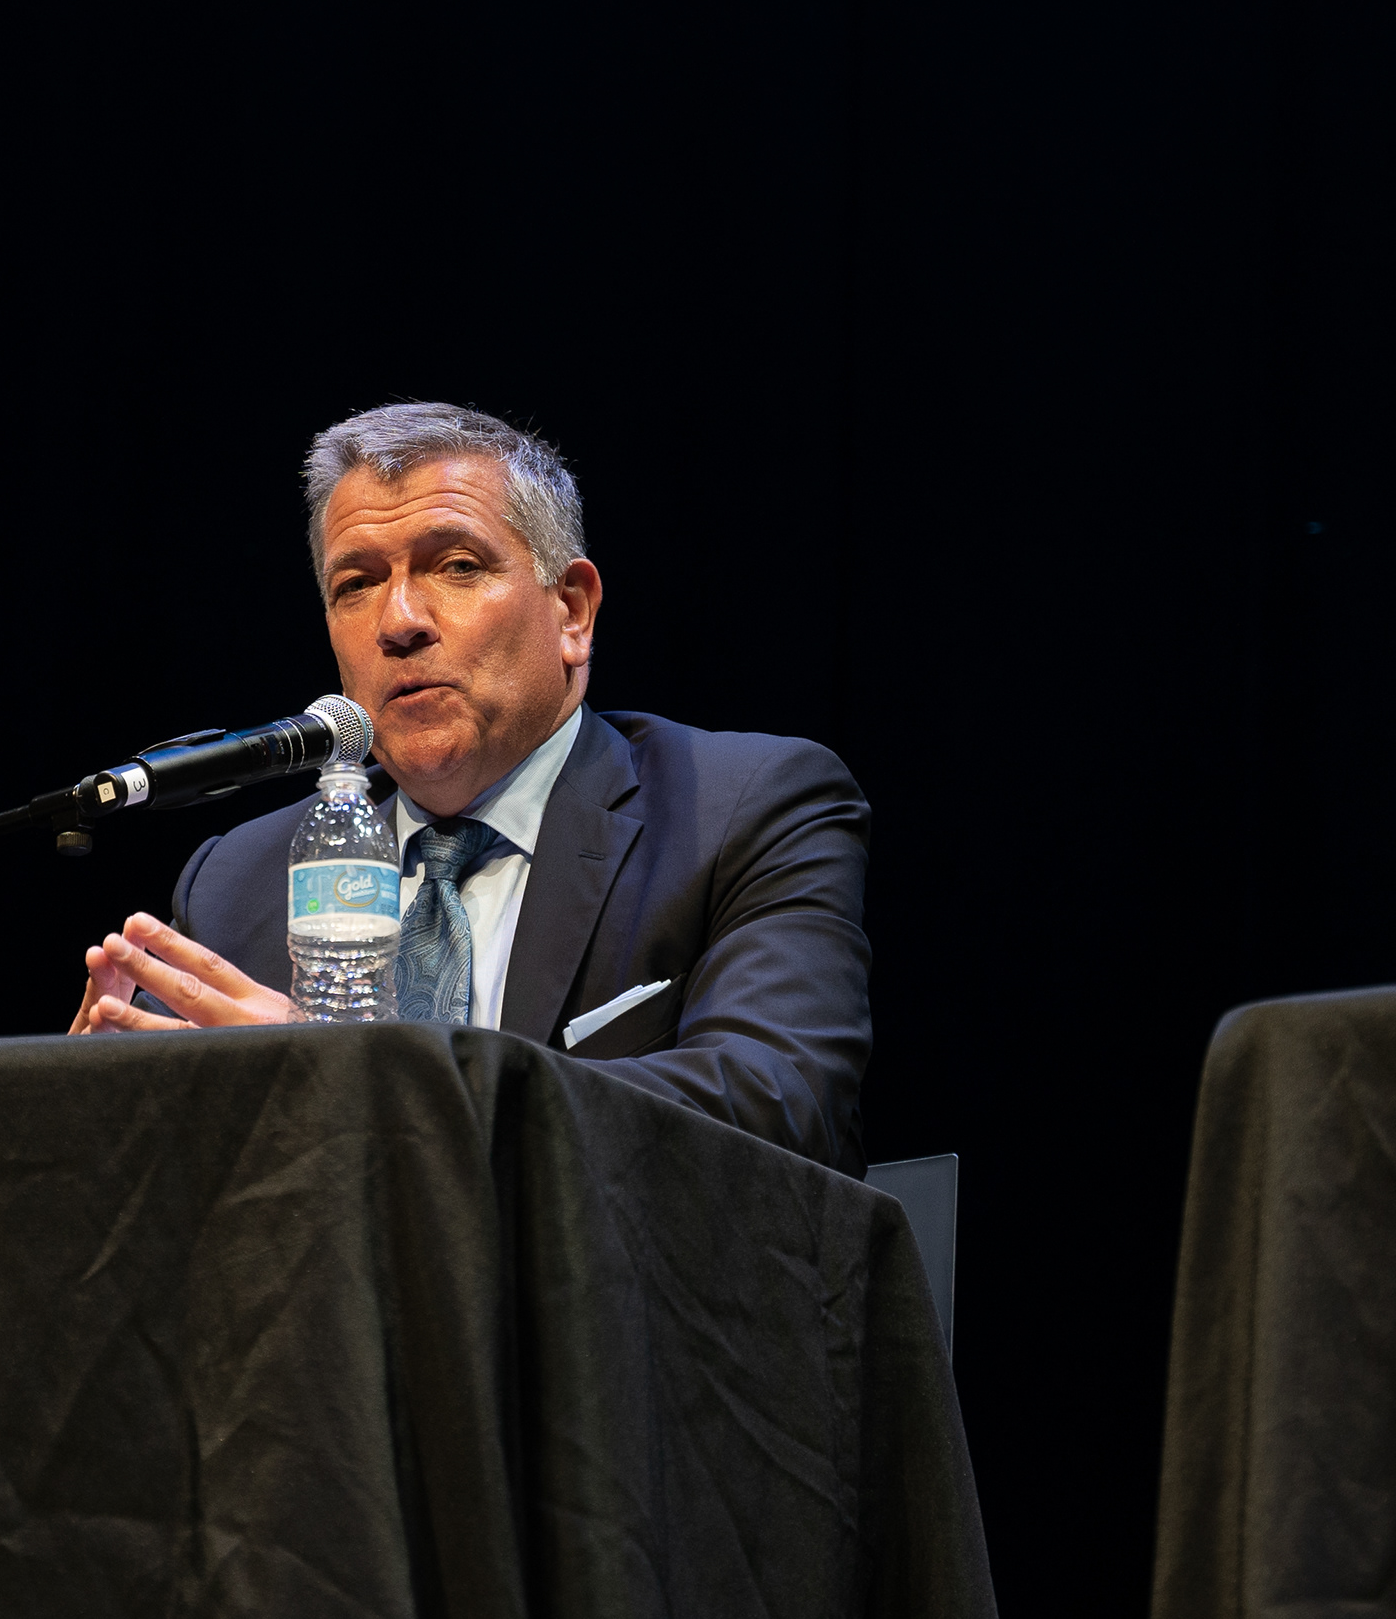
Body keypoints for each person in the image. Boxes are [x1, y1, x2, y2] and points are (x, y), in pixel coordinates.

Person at [68, 402, 872, 1172]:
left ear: (572, 613)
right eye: (356, 584)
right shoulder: (240, 884)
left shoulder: (740, 811)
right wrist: (98, 1124)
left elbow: (777, 1107)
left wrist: (375, 1085)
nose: (400, 620)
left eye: (456, 566)